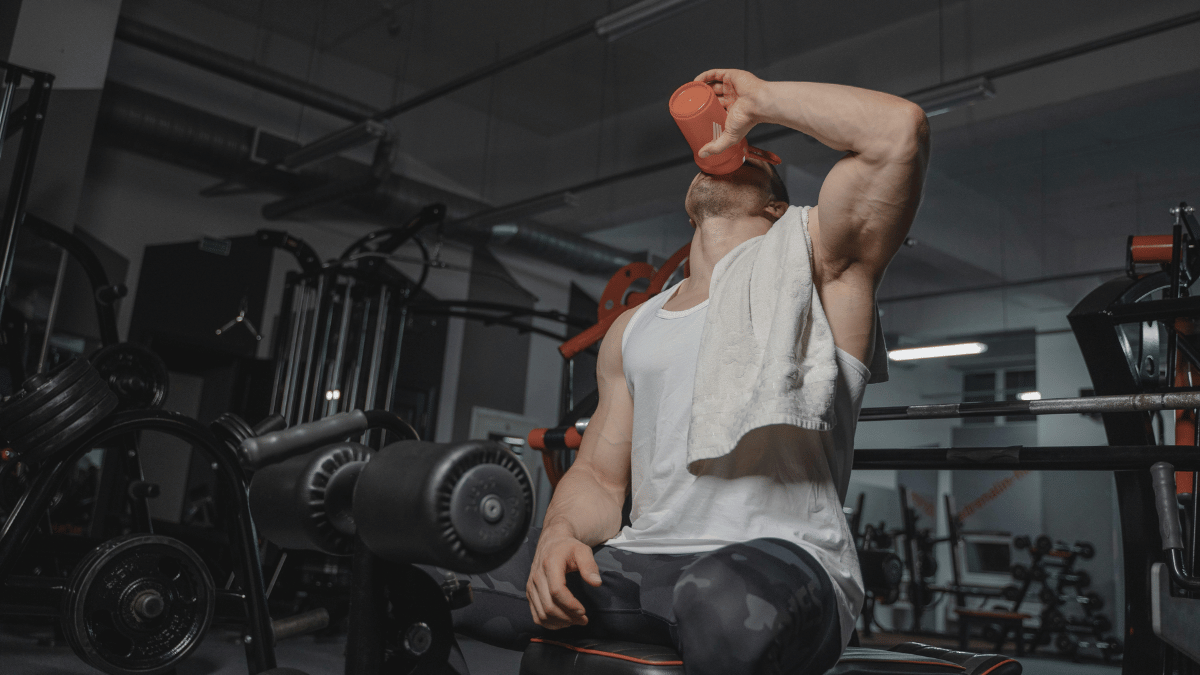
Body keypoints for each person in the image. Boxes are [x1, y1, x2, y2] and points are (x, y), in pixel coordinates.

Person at [444, 69, 929, 675]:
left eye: (755, 154)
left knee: (715, 599)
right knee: (431, 572)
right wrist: (557, 535)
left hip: (780, 564)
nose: (733, 147)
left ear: (778, 207)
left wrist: (760, 103)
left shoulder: (821, 271)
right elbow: (597, 476)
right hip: (642, 561)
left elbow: (897, 132)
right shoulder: (633, 329)